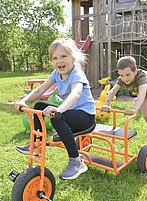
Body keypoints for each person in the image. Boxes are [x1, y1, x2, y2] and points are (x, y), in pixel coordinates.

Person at [14, 38, 96, 180]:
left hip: (86, 117)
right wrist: (23, 100)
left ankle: (76, 162)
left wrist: (59, 110)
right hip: (69, 112)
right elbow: (40, 90)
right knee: (39, 105)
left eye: (63, 56)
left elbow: (75, 94)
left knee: (57, 117)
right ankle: (36, 144)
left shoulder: (77, 74)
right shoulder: (56, 74)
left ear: (73, 58)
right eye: (55, 58)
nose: (59, 61)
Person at [101, 56, 147, 142]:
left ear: (135, 71)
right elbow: (112, 91)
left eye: (127, 75)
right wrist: (106, 104)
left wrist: (134, 109)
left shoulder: (141, 76)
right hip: (145, 94)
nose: (125, 78)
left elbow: (141, 93)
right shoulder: (121, 79)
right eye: (121, 75)